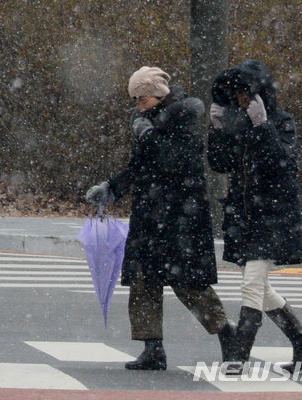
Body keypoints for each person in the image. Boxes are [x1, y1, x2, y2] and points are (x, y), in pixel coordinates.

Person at [86, 67, 236, 370]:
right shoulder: (147, 121)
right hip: (149, 214)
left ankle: (227, 334)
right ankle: (152, 348)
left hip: (182, 215)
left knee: (189, 284)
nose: (138, 106)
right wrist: (112, 188)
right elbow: (139, 165)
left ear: (157, 94)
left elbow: (175, 161)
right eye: (136, 100)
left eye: (142, 99)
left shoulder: (186, 117)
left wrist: (149, 134)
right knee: (144, 280)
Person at [207, 59, 302, 374]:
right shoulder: (238, 124)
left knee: (251, 285)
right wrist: (217, 131)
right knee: (259, 286)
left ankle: (238, 356)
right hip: (245, 217)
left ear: (260, 95)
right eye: (238, 95)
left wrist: (262, 126)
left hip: (274, 216)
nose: (242, 101)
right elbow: (220, 163)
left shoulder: (281, 121)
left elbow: (283, 163)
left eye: (247, 94)